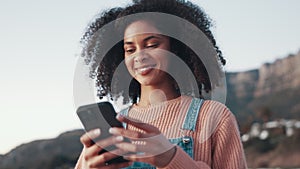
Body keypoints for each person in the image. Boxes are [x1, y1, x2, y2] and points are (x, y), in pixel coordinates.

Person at [75, 0, 247, 168]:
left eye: (151, 45)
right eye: (130, 50)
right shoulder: (115, 126)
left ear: (176, 48)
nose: (139, 56)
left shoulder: (214, 117)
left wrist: (170, 158)